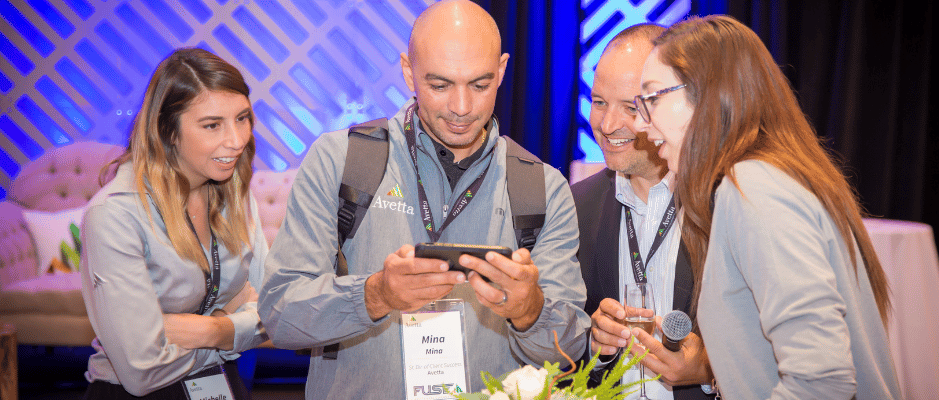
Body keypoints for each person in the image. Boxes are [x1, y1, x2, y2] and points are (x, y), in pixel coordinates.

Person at [257, 1, 589, 398]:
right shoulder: (341, 160)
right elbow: (280, 315)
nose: (462, 108)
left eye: (480, 85)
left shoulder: (544, 188)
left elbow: (570, 352)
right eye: (440, 85)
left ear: (501, 70)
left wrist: (529, 311)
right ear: (407, 70)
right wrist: (374, 294)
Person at [632, 15, 902, 399]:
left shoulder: (755, 187)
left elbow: (822, 383)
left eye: (654, 98)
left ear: (708, 93)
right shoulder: (769, 178)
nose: (642, 124)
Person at [79, 48, 268, 399]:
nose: (237, 140)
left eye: (242, 118)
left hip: (222, 386)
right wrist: (235, 328)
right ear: (168, 132)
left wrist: (210, 331)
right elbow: (141, 370)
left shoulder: (235, 194)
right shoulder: (116, 214)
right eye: (213, 125)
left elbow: (274, 311)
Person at [572, 24, 714, 400]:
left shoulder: (722, 204)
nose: (607, 125)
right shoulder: (575, 206)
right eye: (599, 101)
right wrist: (595, 344)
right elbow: (557, 351)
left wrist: (709, 371)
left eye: (631, 107)